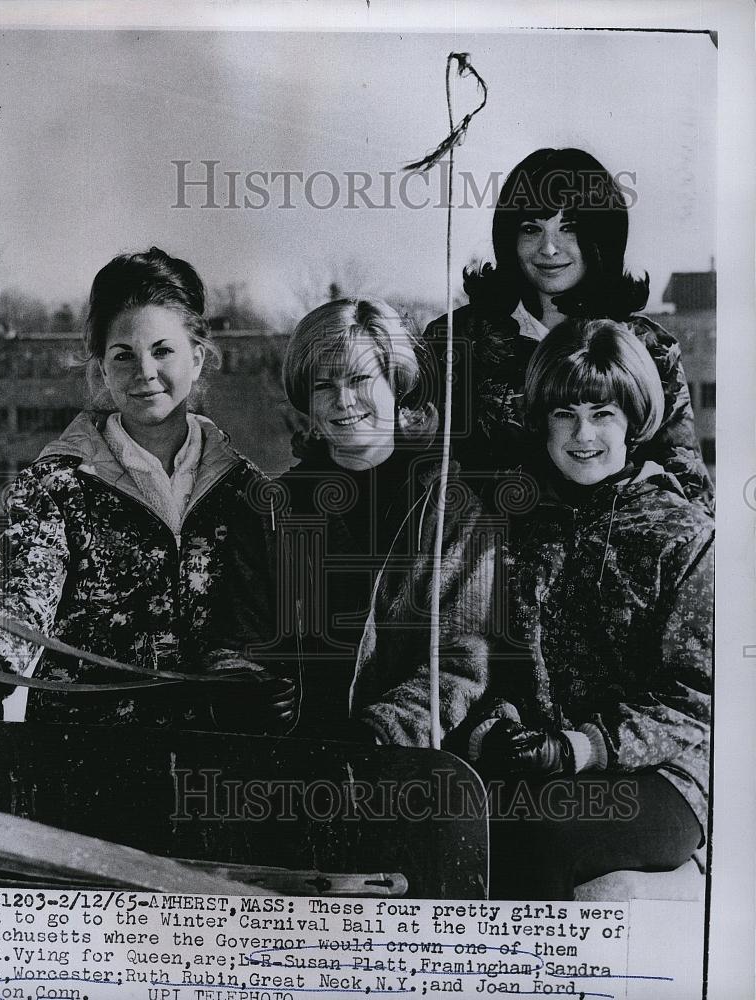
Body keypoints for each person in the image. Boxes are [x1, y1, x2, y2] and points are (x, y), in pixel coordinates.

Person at [0, 247, 293, 732]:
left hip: (213, 748)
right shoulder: (61, 484)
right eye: (123, 355)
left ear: (198, 358)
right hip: (85, 748)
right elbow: (22, 586)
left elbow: (270, 612)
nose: (144, 372)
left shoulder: (245, 489)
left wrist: (271, 683)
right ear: (102, 368)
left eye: (162, 350)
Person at [443, 318, 713, 899]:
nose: (582, 434)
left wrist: (580, 747)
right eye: (565, 414)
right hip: (535, 763)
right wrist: (492, 732)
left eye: (603, 413)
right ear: (540, 421)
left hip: (658, 774)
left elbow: (697, 695)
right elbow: (477, 654)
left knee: (542, 829)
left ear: (634, 421)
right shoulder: (510, 522)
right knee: (446, 820)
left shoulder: (683, 535)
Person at [419, 146, 714, 513]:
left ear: (601, 237)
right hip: (486, 553)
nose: (548, 248)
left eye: (569, 228)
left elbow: (690, 489)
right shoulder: (456, 339)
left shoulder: (646, 348)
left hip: (610, 555)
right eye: (531, 228)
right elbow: (420, 466)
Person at [276, 298, 493, 743]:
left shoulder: (449, 508)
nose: (343, 400)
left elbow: (462, 660)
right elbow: (241, 634)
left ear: (398, 385)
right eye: (323, 385)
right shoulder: (274, 507)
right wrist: (245, 687)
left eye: (360, 379)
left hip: (403, 765)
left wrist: (384, 731)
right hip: (291, 759)